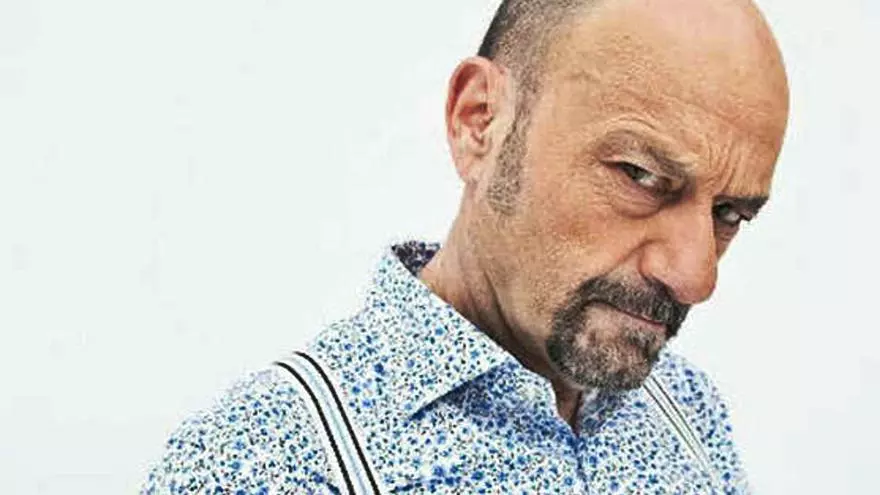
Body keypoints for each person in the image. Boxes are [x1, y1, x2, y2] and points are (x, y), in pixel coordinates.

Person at [141, 0, 789, 492]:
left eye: (729, 214)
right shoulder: (263, 463)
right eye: (640, 176)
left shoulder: (687, 408)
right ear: (480, 121)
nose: (696, 276)